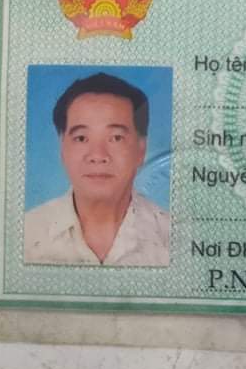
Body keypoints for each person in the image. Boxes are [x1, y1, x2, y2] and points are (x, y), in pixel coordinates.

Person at [24, 72, 170, 266]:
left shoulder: (172, 238)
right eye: (81, 138)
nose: (98, 155)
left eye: (116, 138)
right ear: (62, 148)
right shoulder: (25, 234)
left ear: (141, 149)